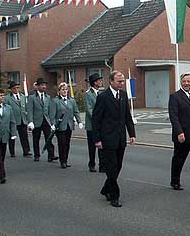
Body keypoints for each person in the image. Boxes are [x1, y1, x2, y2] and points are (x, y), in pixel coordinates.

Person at [92, 71, 136, 208]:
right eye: (119, 81)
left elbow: (127, 116)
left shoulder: (123, 95)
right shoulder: (103, 97)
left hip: (120, 138)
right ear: (111, 81)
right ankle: (114, 196)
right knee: (111, 167)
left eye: (123, 81)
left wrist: (132, 134)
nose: (122, 83)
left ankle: (106, 189)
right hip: (107, 138)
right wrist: (97, 139)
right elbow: (96, 119)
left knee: (118, 166)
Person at [49, 82, 83, 169]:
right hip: (60, 126)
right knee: (62, 143)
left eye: (66, 89)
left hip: (69, 125)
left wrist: (79, 122)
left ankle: (66, 160)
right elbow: (52, 114)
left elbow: (76, 112)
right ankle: (62, 161)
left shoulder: (71, 100)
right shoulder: (55, 101)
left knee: (67, 144)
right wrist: (52, 124)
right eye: (63, 89)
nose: (65, 91)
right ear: (59, 91)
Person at [26, 78, 57, 162]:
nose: (44, 86)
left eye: (45, 85)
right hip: (36, 120)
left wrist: (52, 122)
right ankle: (37, 155)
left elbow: (50, 110)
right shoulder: (32, 97)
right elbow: (29, 110)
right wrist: (30, 121)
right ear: (38, 86)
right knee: (36, 138)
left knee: (49, 137)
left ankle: (51, 155)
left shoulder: (47, 97)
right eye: (42, 85)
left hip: (46, 120)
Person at [5, 81, 31, 157]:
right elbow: (6, 108)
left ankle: (26, 151)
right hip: (13, 120)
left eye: (17, 88)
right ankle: (12, 151)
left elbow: (25, 107)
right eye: (14, 88)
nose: (16, 89)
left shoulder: (23, 96)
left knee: (24, 136)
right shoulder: (8, 98)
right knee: (12, 136)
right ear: (11, 89)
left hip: (22, 119)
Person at [84, 73, 105, 173]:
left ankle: (102, 165)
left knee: (102, 145)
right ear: (95, 82)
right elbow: (89, 110)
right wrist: (98, 119)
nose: (101, 82)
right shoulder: (88, 94)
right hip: (92, 125)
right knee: (92, 146)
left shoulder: (101, 93)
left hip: (101, 125)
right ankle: (91, 163)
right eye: (99, 80)